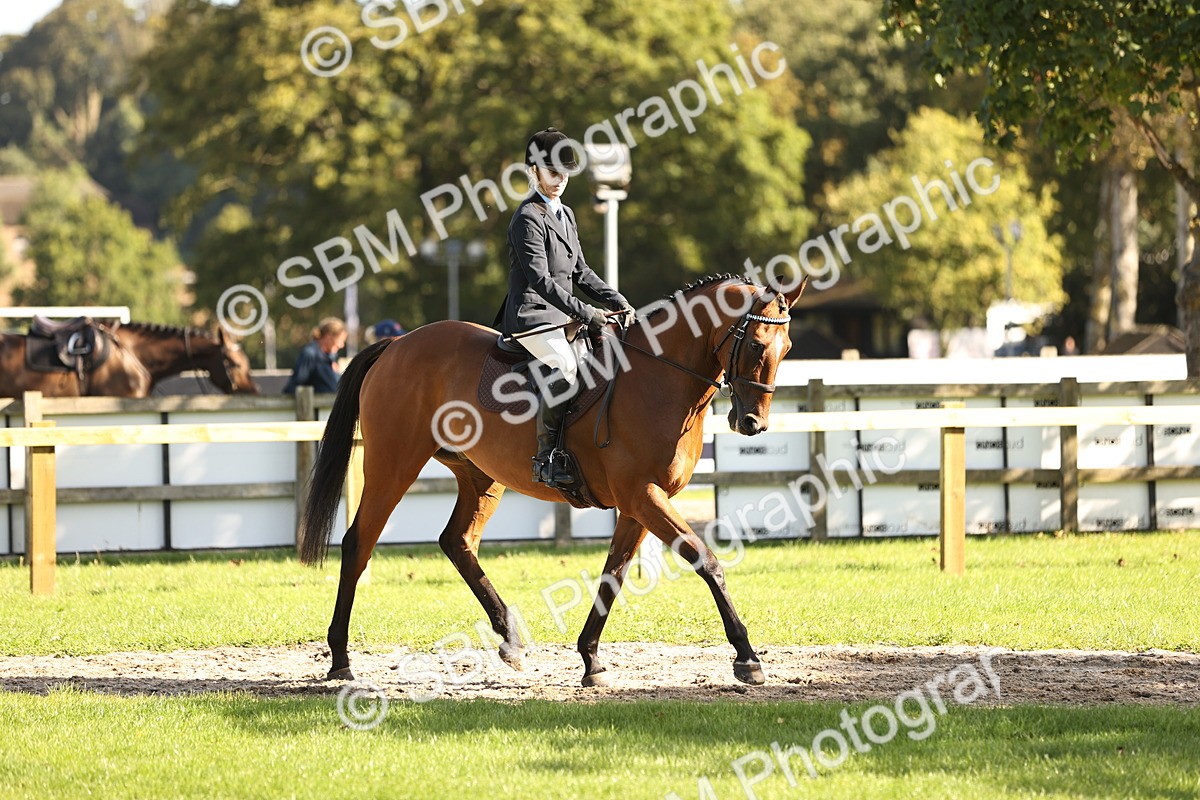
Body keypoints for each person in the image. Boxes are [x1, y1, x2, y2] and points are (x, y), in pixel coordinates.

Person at [498, 127, 636, 486]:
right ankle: (545, 458)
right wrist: (585, 312)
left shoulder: (566, 214)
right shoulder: (528, 217)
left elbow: (580, 271)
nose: (560, 181)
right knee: (566, 370)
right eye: (552, 173)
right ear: (534, 172)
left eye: (565, 174)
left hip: (562, 314)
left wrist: (614, 298)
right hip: (533, 315)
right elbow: (541, 281)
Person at [282, 317, 346, 394]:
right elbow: (296, 384)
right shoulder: (310, 354)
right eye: (340, 340)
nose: (341, 345)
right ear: (328, 337)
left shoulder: (331, 357)